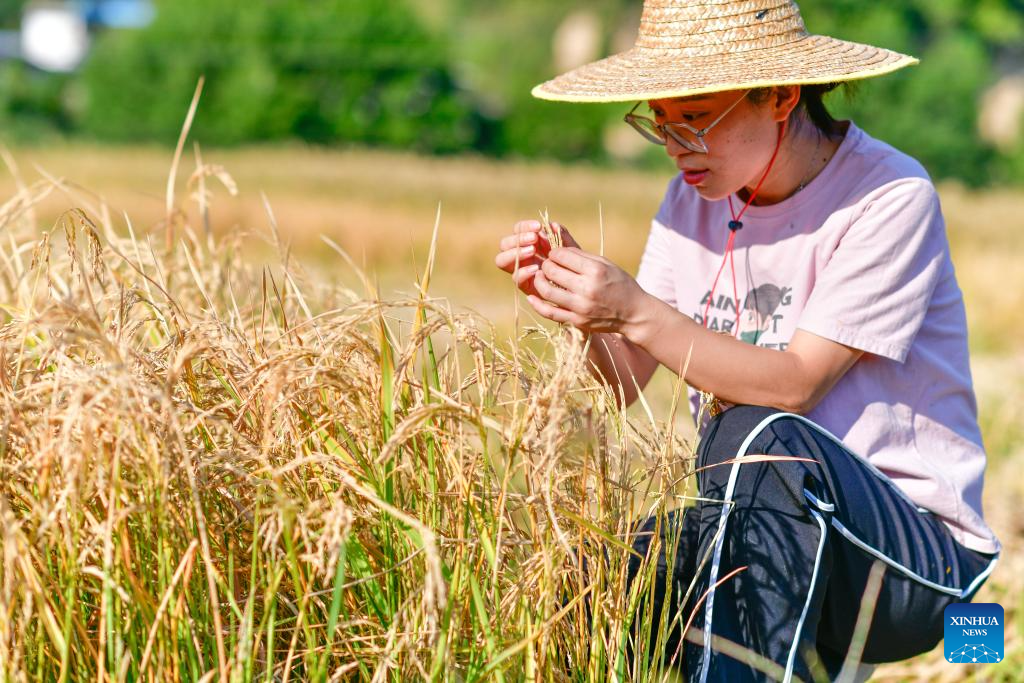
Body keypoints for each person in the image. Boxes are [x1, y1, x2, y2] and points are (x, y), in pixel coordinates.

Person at [493, 1, 1001, 681]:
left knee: (753, 435)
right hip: (762, 524)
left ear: (781, 96)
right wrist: (581, 310)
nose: (677, 145)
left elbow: (795, 384)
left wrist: (634, 308)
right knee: (606, 577)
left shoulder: (889, 195)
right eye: (660, 122)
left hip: (909, 558)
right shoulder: (688, 201)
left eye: (697, 116)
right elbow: (623, 381)